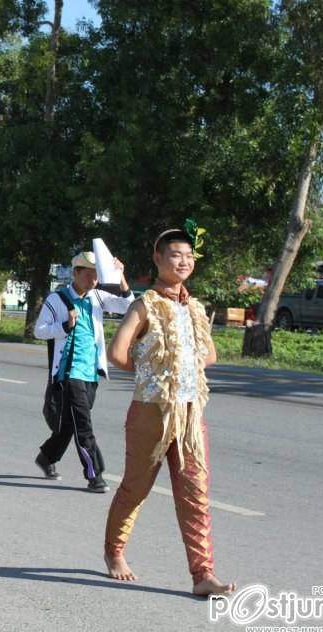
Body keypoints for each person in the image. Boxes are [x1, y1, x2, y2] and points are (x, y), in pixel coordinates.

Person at [103, 228, 236, 597]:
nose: (184, 261)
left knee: (196, 492)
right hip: (151, 412)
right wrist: (152, 372)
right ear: (158, 259)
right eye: (176, 255)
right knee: (136, 488)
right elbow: (117, 353)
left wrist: (183, 369)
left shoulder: (195, 307)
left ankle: (203, 575)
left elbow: (209, 356)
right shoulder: (145, 304)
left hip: (191, 414)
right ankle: (114, 552)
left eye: (189, 256)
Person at [32, 251, 133, 492]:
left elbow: (128, 306)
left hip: (90, 372)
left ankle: (46, 457)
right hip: (68, 372)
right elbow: (39, 331)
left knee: (70, 423)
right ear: (76, 273)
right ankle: (94, 474)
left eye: (97, 275)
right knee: (83, 424)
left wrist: (121, 276)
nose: (94, 280)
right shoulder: (56, 300)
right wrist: (66, 325)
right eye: (89, 274)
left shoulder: (97, 297)